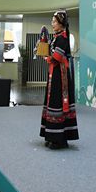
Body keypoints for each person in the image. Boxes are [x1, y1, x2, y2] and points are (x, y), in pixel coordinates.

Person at [40, 10, 79, 150]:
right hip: (55, 73)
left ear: (61, 24)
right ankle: (52, 136)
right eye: (52, 21)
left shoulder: (62, 38)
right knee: (53, 102)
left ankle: (59, 139)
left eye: (54, 21)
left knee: (57, 103)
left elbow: (56, 58)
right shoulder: (57, 37)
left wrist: (46, 57)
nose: (52, 23)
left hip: (60, 76)